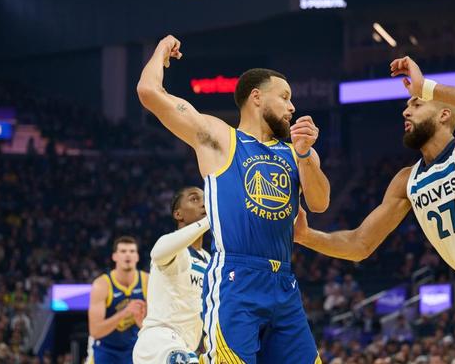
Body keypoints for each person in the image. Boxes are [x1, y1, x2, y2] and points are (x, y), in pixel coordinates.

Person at [294, 56, 455, 364]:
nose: (405, 111)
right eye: (407, 105)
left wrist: (429, 88)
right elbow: (359, 244)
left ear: (444, 114)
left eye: (416, 104)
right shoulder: (406, 180)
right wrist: (306, 236)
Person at [137, 35, 331, 363]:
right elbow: (149, 92)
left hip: (284, 282)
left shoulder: (297, 153)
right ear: (256, 97)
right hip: (236, 278)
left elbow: (320, 202)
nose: (292, 107)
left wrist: (306, 155)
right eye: (285, 97)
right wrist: (160, 52)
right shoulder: (220, 138)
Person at [133, 186, 211, 364]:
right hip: (159, 341)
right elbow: (157, 253)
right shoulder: (170, 246)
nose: (204, 204)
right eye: (194, 199)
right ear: (178, 214)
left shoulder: (208, 259)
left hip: (185, 346)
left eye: (206, 199)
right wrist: (210, 220)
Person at [87, 236, 147, 364]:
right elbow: (95, 331)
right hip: (105, 349)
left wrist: (142, 324)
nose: (128, 255)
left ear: (137, 257)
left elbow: (157, 324)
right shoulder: (101, 285)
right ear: (114, 256)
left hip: (135, 348)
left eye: (132, 251)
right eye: (123, 251)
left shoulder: (147, 281)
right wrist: (124, 313)